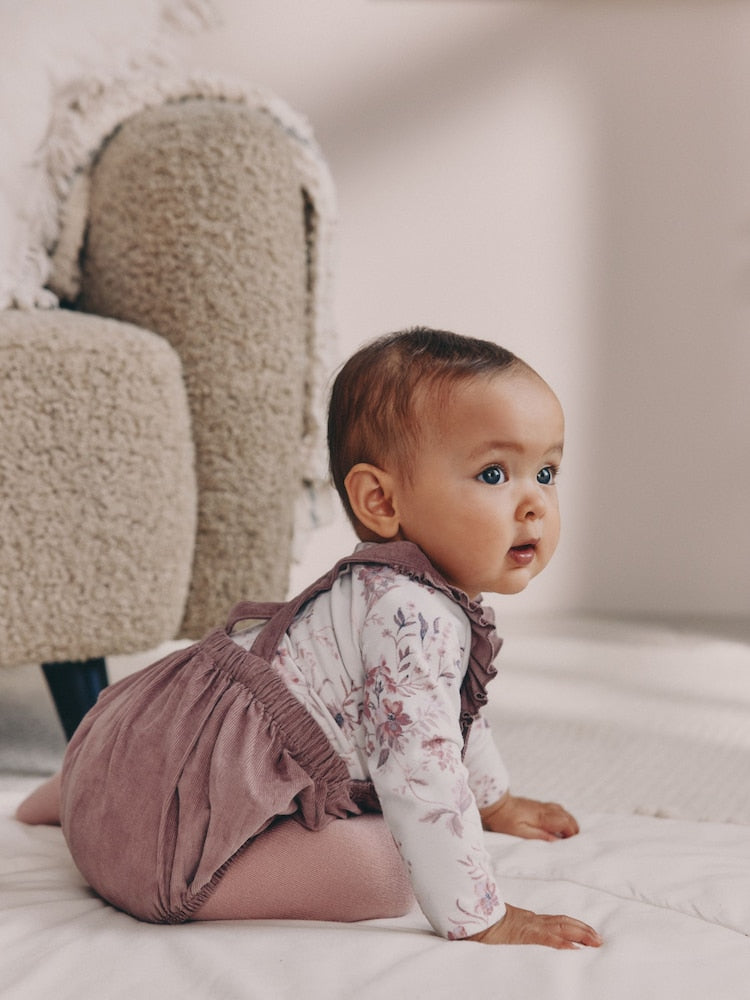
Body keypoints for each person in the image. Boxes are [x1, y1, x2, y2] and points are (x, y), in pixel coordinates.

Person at [17, 327, 602, 950]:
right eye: (493, 473)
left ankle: (88, 792)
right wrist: (482, 914)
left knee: (195, 746)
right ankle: (171, 861)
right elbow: (423, 769)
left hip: (150, 749)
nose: (535, 502)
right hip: (167, 849)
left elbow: (452, 719)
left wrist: (492, 801)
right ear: (379, 500)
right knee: (390, 871)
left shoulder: (402, 591)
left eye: (545, 472)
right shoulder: (412, 615)